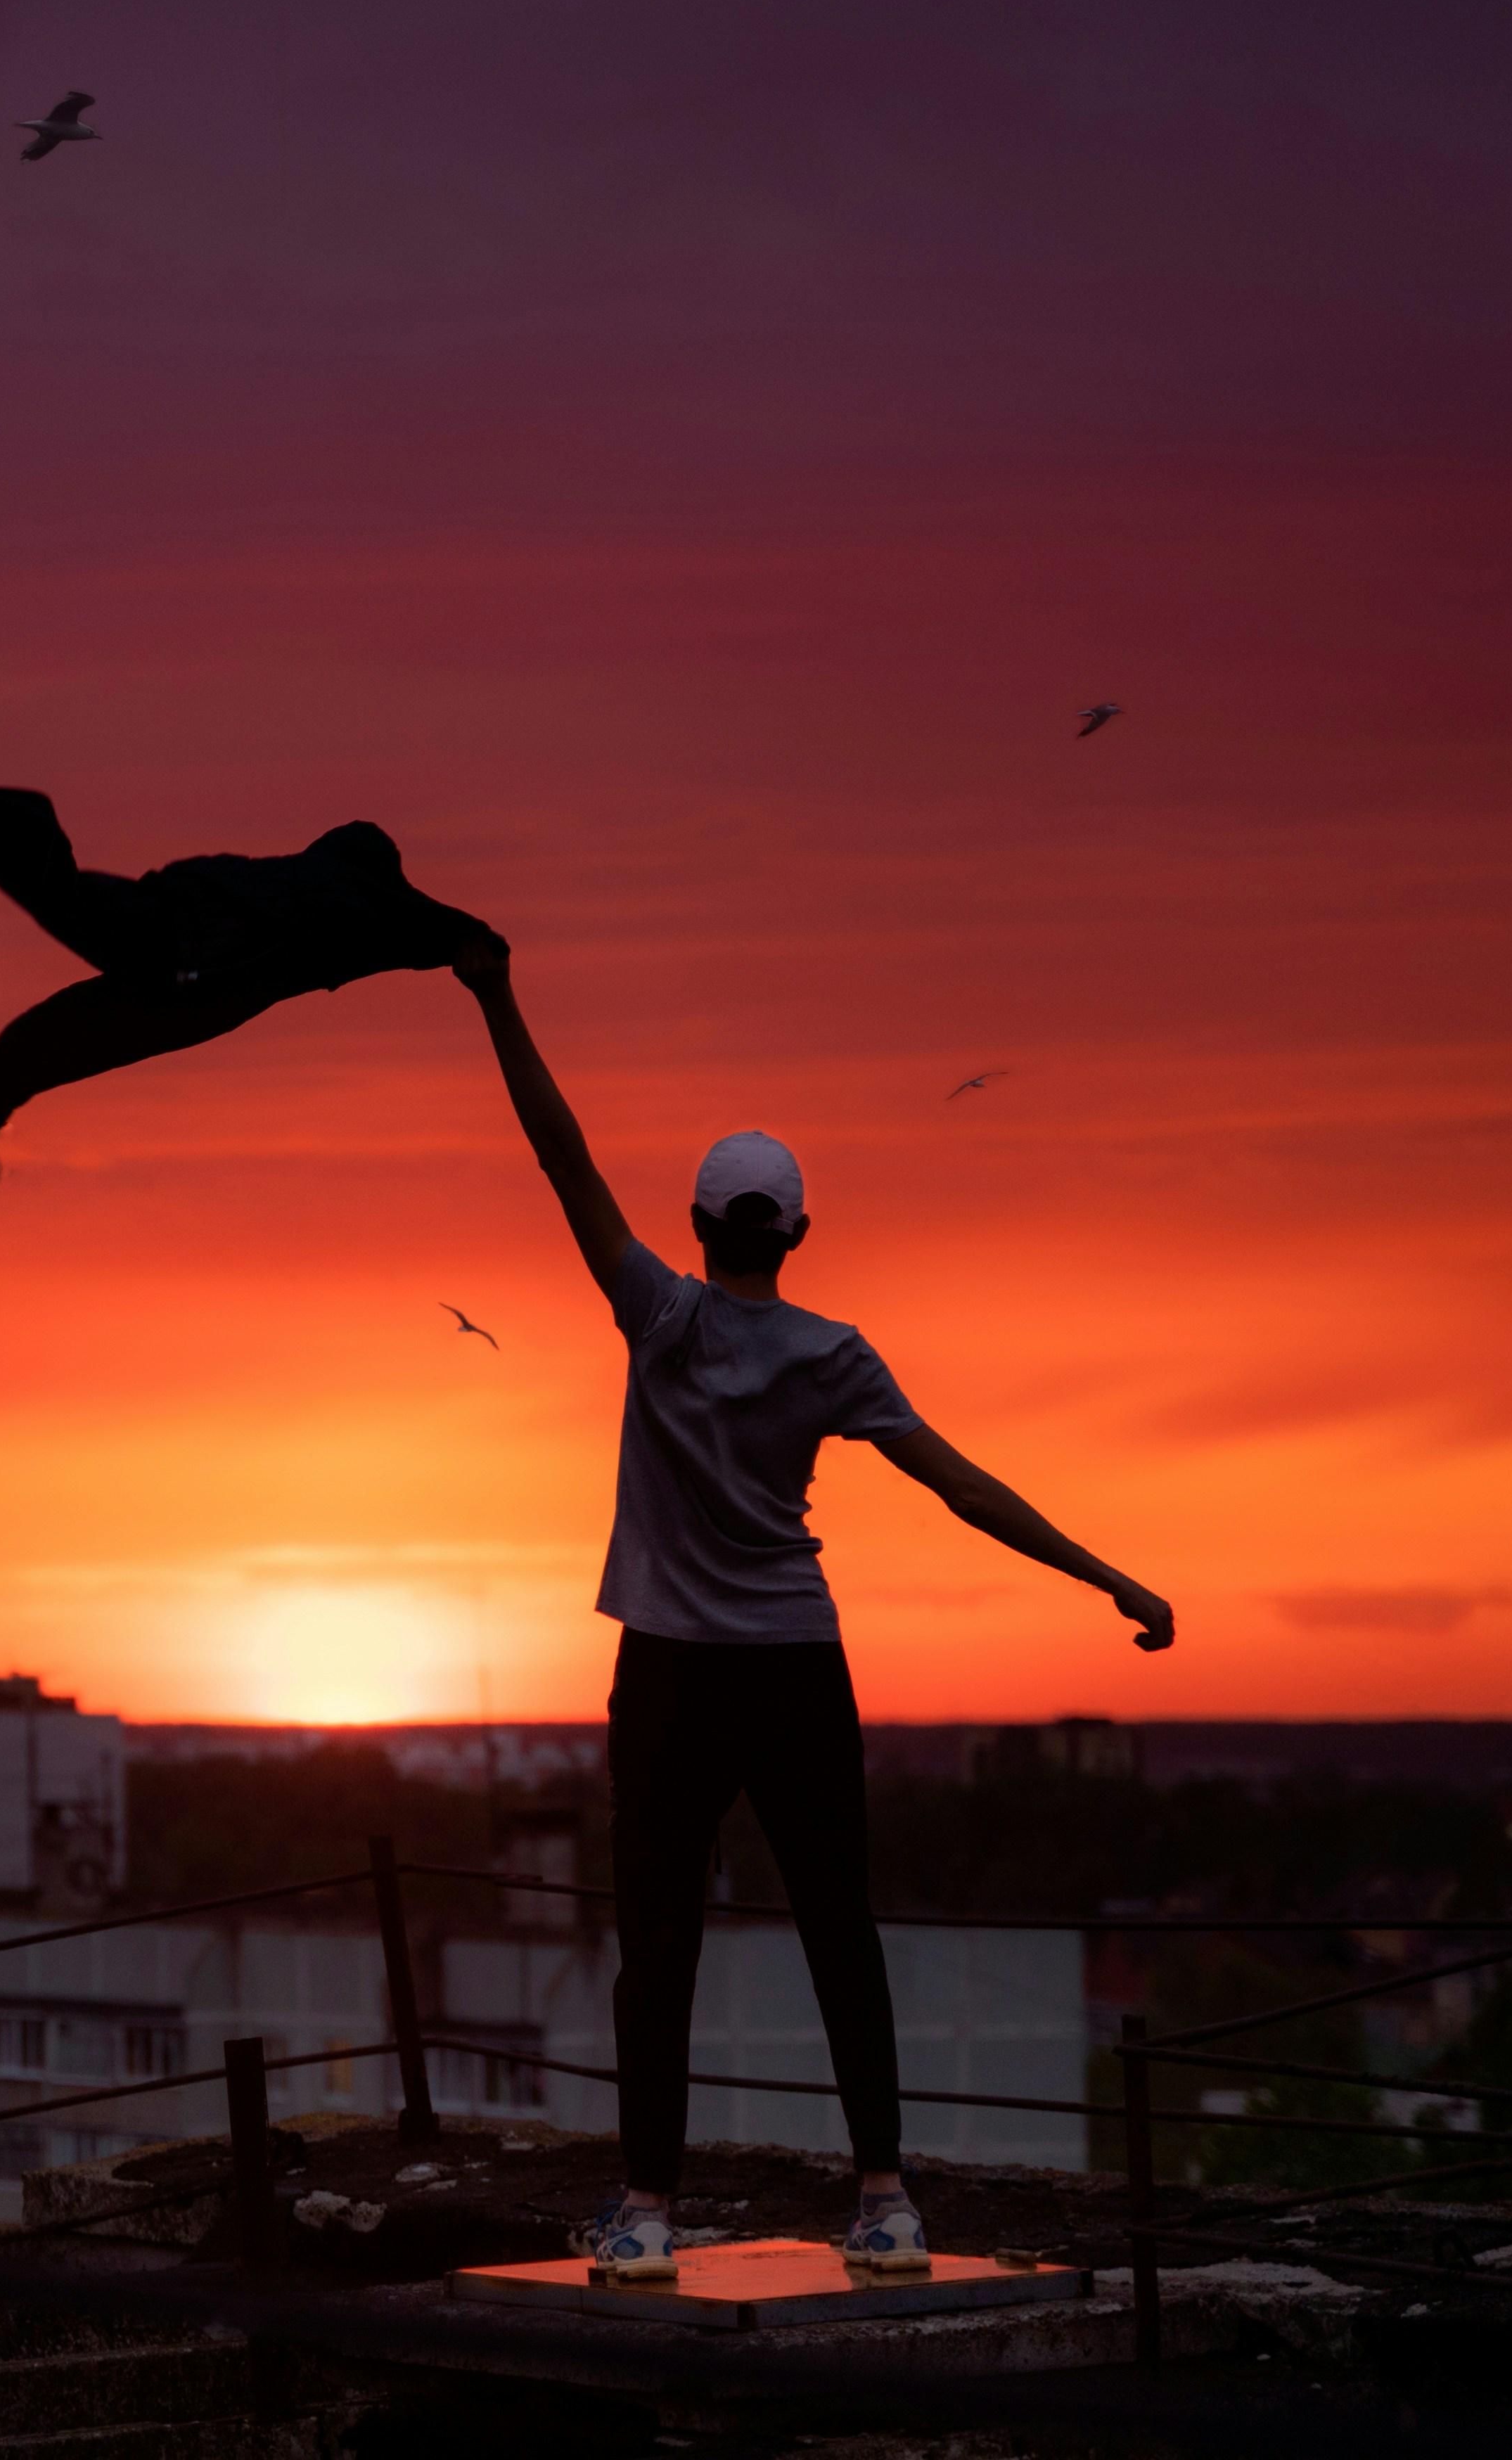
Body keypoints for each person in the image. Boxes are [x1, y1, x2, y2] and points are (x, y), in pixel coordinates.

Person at [452, 927, 1173, 2272]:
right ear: (796, 1234)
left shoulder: (655, 1316)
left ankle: (649, 2218)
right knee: (841, 1928)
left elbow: (561, 1154)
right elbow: (965, 1485)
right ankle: (888, 2203)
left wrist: (495, 992)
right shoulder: (834, 1356)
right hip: (795, 1662)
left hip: (670, 1671)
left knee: (656, 1939)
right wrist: (1111, 1576)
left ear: (696, 1230)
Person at [0, 787, 490, 1205]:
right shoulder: (357, 907)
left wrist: (470, 943)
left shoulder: (331, 892)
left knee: (33, 1033)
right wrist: (483, 954)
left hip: (186, 957)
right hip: (194, 971)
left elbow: (441, 927)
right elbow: (442, 926)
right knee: (34, 1034)